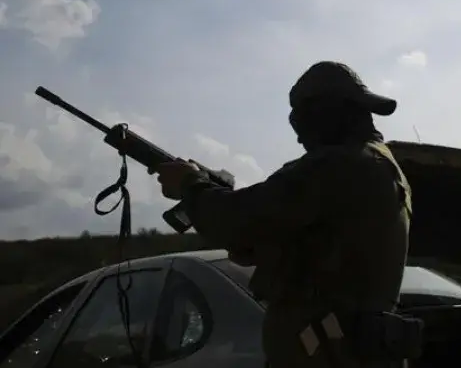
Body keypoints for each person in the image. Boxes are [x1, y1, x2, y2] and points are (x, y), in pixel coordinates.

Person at [155, 61, 418, 368]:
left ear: (325, 112)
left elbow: (237, 219)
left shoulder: (340, 165)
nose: (299, 139)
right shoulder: (375, 165)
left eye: (301, 124)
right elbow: (311, 242)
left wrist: (190, 184)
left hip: (329, 355)